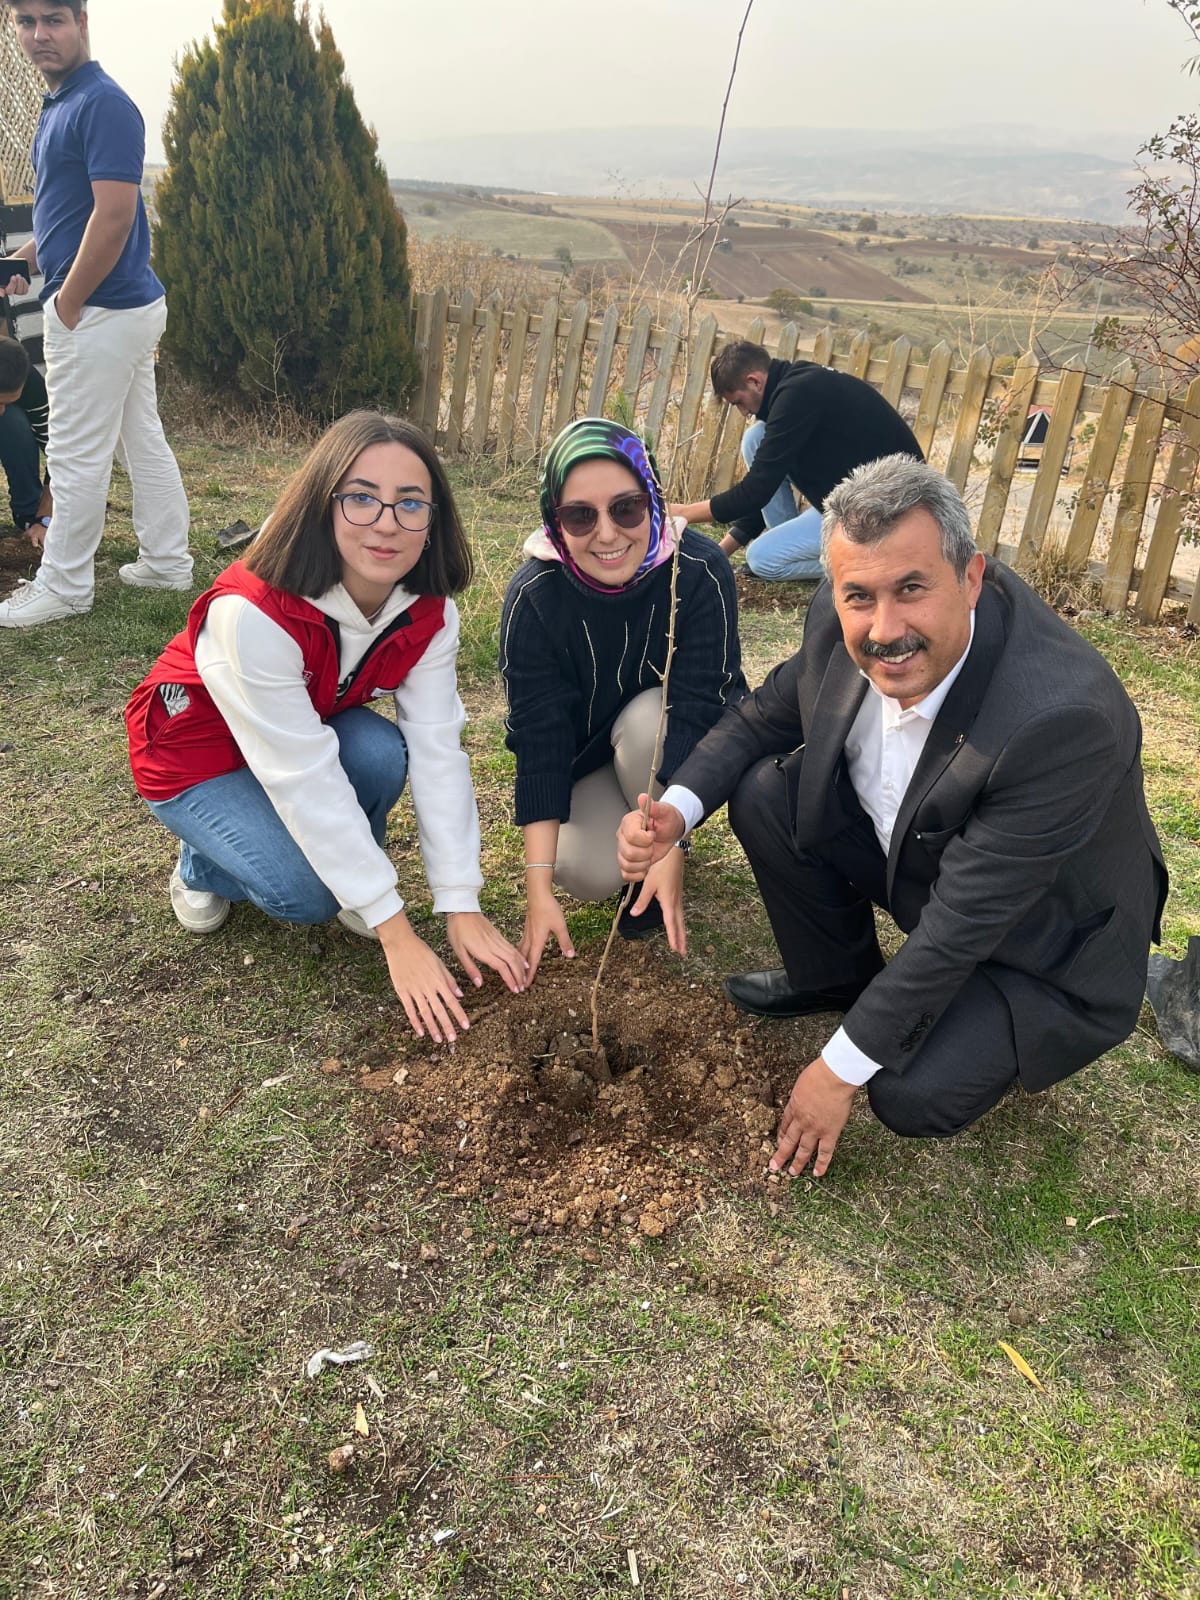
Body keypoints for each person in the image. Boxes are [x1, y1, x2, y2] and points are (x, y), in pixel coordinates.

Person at [619, 454, 1168, 1176]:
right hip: (922, 857)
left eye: (913, 589)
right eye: (860, 597)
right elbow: (759, 720)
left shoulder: (1060, 721)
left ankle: (946, 1024)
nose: (885, 629)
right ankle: (835, 979)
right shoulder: (840, 612)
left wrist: (836, 1070)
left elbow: (962, 924)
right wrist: (674, 817)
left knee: (909, 1092)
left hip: (1039, 947)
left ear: (971, 579)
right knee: (764, 792)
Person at [126, 411, 527, 1045]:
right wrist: (396, 931)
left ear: (435, 519)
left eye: (410, 504)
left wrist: (460, 901)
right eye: (362, 499)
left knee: (380, 750)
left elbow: (436, 750)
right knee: (303, 896)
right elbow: (303, 778)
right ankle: (202, 864)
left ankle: (349, 880)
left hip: (304, 728)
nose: (387, 524)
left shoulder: (429, 614)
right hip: (195, 756)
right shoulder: (251, 613)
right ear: (323, 503)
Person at [499, 417, 746, 979]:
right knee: (577, 868)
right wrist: (538, 889)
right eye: (580, 516)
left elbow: (697, 710)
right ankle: (632, 849)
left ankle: (659, 849)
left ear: (654, 500)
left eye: (627, 508)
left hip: (668, 739)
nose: (607, 534)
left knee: (646, 719)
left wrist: (672, 843)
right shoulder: (535, 598)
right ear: (553, 518)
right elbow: (540, 739)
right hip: (590, 754)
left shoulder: (700, 572)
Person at [0, 0, 191, 628]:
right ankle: (166, 563)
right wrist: (27, 255)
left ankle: (63, 585)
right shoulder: (61, 102)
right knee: (142, 440)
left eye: (53, 19)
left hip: (101, 310)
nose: (38, 35)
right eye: (25, 22)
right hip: (123, 306)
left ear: (82, 23)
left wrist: (68, 301)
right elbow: (70, 208)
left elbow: (115, 216)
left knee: (78, 453)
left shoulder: (102, 104)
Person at [671, 340, 923, 583]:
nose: (744, 412)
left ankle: (874, 562)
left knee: (763, 560)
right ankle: (792, 541)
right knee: (756, 437)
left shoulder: (798, 396)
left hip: (887, 514)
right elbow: (765, 489)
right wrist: (720, 553)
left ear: (754, 381)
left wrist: (683, 513)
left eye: (739, 402)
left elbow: (755, 492)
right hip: (849, 498)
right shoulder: (797, 386)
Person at [0, 334, 52, 541]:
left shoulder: (33, 387)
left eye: (8, 400)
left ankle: (29, 513)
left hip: (14, 430)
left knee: (13, 421)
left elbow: (59, 452)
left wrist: (45, 518)